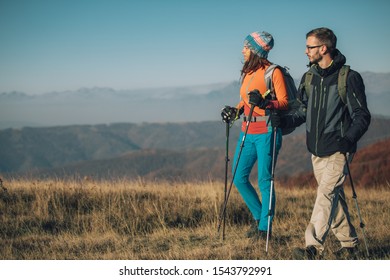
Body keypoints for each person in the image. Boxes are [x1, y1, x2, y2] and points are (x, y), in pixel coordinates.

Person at [271, 27, 371, 259]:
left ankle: (312, 248)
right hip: (316, 150)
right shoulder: (309, 78)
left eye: (310, 47)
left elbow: (362, 115)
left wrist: (348, 140)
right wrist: (283, 122)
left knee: (325, 195)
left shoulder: (349, 78)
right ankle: (350, 246)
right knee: (333, 197)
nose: (306, 51)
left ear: (323, 48)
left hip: (339, 149)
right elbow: (302, 111)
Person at [221, 31, 288, 239]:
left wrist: (265, 104)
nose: (243, 50)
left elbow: (285, 103)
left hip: (267, 131)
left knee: (264, 180)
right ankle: (260, 218)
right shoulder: (248, 72)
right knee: (239, 178)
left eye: (246, 47)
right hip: (246, 131)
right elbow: (246, 100)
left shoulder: (273, 72)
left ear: (256, 50)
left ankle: (265, 229)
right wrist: (236, 110)